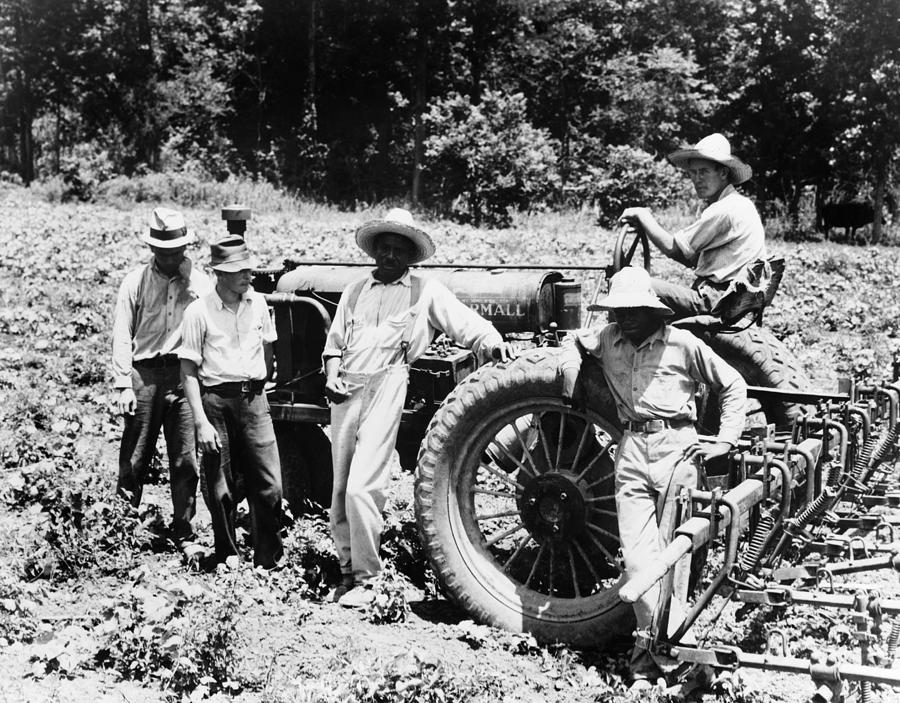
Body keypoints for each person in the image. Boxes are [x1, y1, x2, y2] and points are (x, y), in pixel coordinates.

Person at [558, 266, 746, 689]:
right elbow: (573, 342)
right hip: (630, 448)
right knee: (639, 560)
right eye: (618, 311)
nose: (623, 319)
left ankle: (658, 658)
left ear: (651, 311)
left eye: (632, 311)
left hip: (676, 449)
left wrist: (725, 441)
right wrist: (571, 375)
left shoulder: (682, 343)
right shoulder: (608, 338)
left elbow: (733, 385)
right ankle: (677, 653)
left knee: (673, 558)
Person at [322, 207, 514, 607]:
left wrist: (492, 342)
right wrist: (331, 373)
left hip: (387, 385)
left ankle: (367, 579)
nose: (391, 256)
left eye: (399, 250)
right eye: (385, 248)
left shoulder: (424, 291)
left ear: (411, 256)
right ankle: (345, 571)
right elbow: (334, 345)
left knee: (363, 487)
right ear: (374, 251)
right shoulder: (354, 291)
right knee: (340, 488)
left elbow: (465, 323)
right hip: (346, 391)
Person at [178, 235, 284, 570]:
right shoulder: (198, 311)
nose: (247, 276)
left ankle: (269, 558)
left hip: (254, 399)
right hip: (215, 402)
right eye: (238, 271)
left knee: (270, 484)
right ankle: (227, 555)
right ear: (219, 274)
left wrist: (257, 385)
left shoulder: (259, 304)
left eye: (248, 269)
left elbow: (267, 350)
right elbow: (188, 370)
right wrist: (200, 421)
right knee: (219, 484)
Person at [111, 207, 211, 549]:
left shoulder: (199, 283)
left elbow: (212, 329)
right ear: (153, 249)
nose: (171, 258)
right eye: (164, 252)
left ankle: (183, 527)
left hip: (185, 376)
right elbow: (123, 333)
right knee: (135, 455)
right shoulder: (135, 282)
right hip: (145, 374)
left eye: (177, 252)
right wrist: (124, 383)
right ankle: (122, 526)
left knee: (185, 457)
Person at [618, 133, 766, 319]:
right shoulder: (739, 204)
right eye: (693, 173)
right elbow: (690, 258)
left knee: (631, 284)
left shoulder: (726, 209)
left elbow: (673, 249)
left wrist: (643, 215)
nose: (697, 179)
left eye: (703, 171)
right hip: (730, 299)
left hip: (718, 301)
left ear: (723, 173)